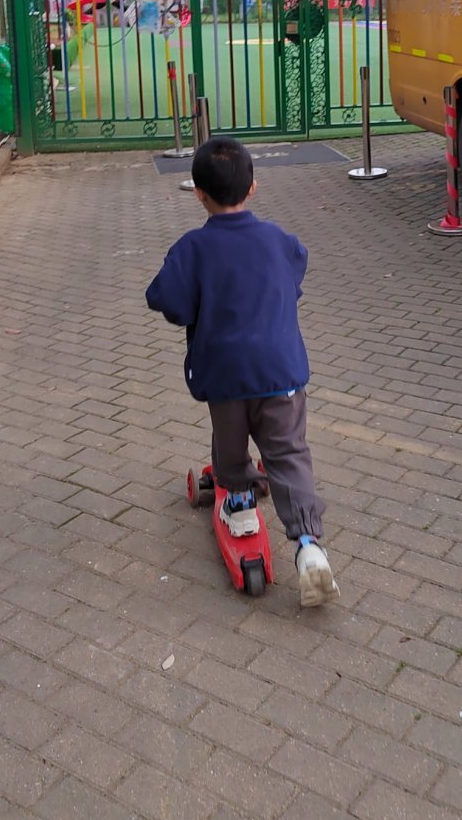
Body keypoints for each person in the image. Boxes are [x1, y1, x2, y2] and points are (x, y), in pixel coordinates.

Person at [145, 138, 339, 607]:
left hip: (227, 377)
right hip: (282, 374)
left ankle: (239, 503)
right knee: (289, 452)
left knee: (230, 448)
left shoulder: (193, 248)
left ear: (198, 193)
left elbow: (166, 300)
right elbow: (296, 271)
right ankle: (309, 546)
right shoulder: (279, 240)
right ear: (253, 187)